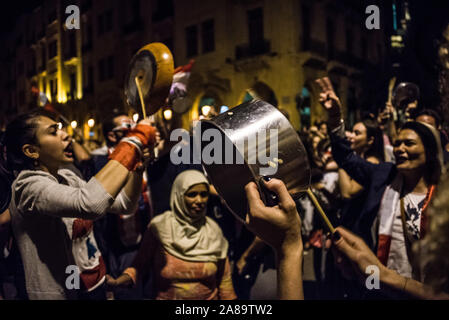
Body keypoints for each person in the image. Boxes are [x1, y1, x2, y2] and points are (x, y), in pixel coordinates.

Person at [0, 109, 156, 299]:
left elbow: (125, 205)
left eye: (60, 129)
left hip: (92, 286)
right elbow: (91, 203)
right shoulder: (28, 186)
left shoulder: (67, 176)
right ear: (31, 151)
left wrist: (137, 167)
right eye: (53, 131)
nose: (66, 135)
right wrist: (133, 142)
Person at [315, 77, 444, 283]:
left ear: (428, 152)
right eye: (398, 143)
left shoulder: (442, 192)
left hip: (425, 288)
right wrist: (334, 116)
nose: (400, 149)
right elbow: (346, 158)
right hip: (376, 281)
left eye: (409, 144)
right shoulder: (384, 174)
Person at [107, 170, 237, 300]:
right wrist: (118, 282)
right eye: (192, 194)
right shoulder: (160, 228)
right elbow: (138, 267)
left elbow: (225, 284)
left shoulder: (213, 232)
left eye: (204, 194)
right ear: (179, 195)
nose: (199, 200)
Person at [85, 110, 154, 300]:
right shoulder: (99, 162)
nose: (134, 132)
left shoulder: (146, 157)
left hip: (144, 238)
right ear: (112, 135)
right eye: (128, 128)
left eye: (135, 128)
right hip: (115, 243)